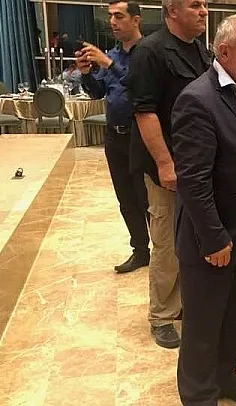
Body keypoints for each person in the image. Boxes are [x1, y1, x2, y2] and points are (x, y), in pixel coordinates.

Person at [172, 14, 236, 406]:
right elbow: (193, 180)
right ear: (225, 52)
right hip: (213, 243)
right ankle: (199, 396)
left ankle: (226, 377)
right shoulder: (197, 100)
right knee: (203, 330)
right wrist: (214, 238)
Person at [127, 0, 210, 349]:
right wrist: (164, 163)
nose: (204, 11)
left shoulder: (200, 51)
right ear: (172, 11)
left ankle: (182, 304)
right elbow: (145, 113)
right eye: (195, 5)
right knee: (166, 244)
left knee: (190, 240)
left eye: (205, 4)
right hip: (166, 167)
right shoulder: (150, 51)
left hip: (196, 165)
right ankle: (161, 315)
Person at [77, 0, 149, 275]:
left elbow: (138, 85)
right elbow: (97, 92)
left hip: (141, 136)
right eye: (110, 16)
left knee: (148, 199)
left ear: (136, 19)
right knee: (126, 198)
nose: (112, 22)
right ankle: (140, 251)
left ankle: (164, 251)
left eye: (119, 16)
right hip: (114, 137)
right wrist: (87, 73)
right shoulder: (112, 55)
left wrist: (108, 64)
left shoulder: (149, 53)